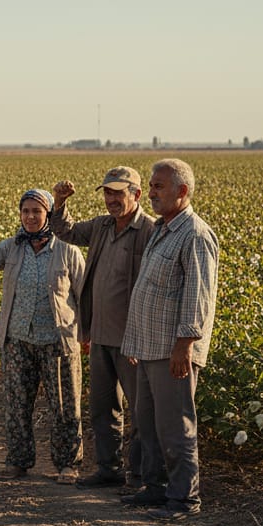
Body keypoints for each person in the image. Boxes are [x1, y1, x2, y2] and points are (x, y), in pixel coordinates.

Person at [120, 159, 219, 521]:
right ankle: (156, 488)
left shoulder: (194, 234)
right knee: (149, 423)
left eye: (159, 186)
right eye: (151, 185)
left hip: (173, 350)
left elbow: (199, 295)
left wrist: (185, 345)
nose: (151, 192)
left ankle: (183, 500)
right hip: (149, 347)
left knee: (176, 426)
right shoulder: (164, 230)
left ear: (182, 191)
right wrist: (133, 344)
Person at [0, 189, 87, 484]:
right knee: (17, 403)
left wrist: (86, 336)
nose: (31, 217)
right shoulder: (13, 247)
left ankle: (67, 464)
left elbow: (86, 296)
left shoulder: (67, 250)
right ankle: (17, 462)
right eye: (26, 211)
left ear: (48, 214)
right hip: (18, 338)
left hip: (58, 340)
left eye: (37, 211)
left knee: (64, 405)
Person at [48, 167, 155, 492]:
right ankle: (109, 468)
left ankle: (139, 476)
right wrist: (60, 201)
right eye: (107, 193)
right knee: (102, 408)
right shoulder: (101, 226)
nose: (111, 199)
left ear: (136, 194)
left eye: (117, 193)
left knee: (140, 412)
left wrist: (142, 337)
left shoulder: (149, 230)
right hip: (100, 334)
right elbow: (64, 231)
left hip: (133, 339)